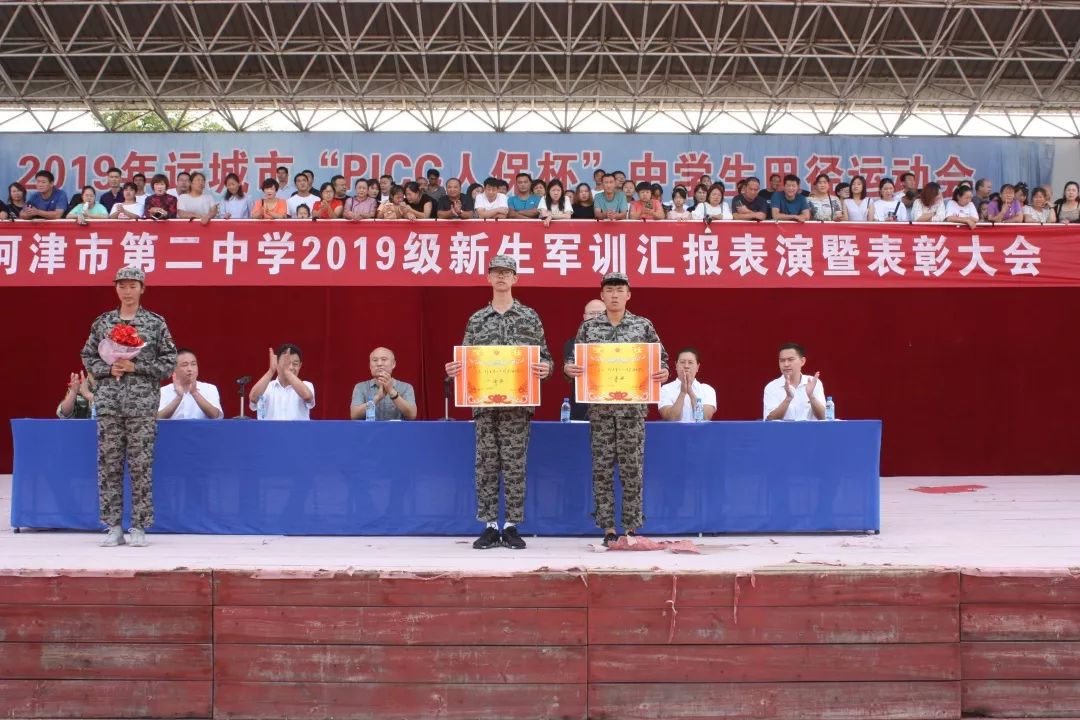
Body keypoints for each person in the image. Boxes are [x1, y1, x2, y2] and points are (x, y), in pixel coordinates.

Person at [443, 255, 552, 550]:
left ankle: (512, 525)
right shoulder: (477, 319)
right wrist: (455, 369)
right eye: (496, 272)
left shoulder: (529, 317)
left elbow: (545, 357)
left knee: (515, 465)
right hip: (484, 404)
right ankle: (490, 526)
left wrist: (545, 368)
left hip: (518, 405)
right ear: (488, 278)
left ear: (515, 278)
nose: (501, 277)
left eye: (507, 272)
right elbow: (466, 359)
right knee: (486, 464)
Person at [564, 272, 669, 546]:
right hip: (600, 410)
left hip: (632, 411)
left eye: (619, 290)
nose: (614, 295)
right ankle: (608, 528)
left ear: (628, 295)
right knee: (602, 469)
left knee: (632, 469)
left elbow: (661, 359)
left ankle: (631, 528)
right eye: (609, 290)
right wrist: (569, 368)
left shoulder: (642, 326)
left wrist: (663, 371)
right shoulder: (589, 328)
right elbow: (573, 360)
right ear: (602, 295)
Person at [80, 266, 178, 547]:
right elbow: (87, 355)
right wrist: (107, 370)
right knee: (109, 465)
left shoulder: (155, 323)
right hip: (109, 403)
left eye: (132, 286)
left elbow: (169, 361)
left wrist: (138, 367)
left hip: (142, 405)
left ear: (142, 288)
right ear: (116, 288)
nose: (127, 291)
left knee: (140, 465)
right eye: (122, 286)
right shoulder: (103, 322)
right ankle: (113, 526)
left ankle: (139, 526)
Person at [561, 299, 606, 421]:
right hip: (582, 407)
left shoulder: (620, 342)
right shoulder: (573, 343)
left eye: (600, 313)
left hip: (613, 405)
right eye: (592, 313)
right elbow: (568, 374)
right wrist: (567, 370)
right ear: (584, 317)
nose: (595, 317)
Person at [248, 344, 316, 420]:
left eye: (295, 364)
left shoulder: (306, 385)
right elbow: (253, 399)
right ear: (277, 363)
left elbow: (307, 397)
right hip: (268, 428)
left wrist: (286, 371)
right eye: (286, 364)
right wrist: (271, 371)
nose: (291, 367)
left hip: (297, 428)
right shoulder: (265, 387)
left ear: (300, 365)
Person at [349, 347, 417, 421]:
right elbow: (354, 415)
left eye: (384, 359)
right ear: (370, 366)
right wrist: (376, 398)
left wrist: (392, 391)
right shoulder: (360, 387)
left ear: (393, 364)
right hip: (369, 428)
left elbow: (412, 415)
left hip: (397, 428)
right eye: (375, 360)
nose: (379, 364)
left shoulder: (406, 387)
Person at [763, 342, 825, 421]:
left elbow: (823, 417)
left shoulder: (813, 383)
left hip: (810, 429)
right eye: (782, 360)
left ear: (802, 361)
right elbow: (769, 420)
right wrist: (788, 399)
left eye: (790, 360)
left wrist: (811, 396)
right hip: (783, 429)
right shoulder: (771, 387)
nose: (786, 364)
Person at [157, 348, 223, 420]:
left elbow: (216, 416)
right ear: (174, 369)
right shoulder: (163, 391)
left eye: (193, 364)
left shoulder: (210, 388)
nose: (190, 369)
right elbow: (157, 418)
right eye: (184, 365)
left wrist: (195, 393)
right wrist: (179, 397)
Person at [658, 348, 716, 422]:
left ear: (697, 367)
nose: (686, 366)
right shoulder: (665, 389)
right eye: (682, 362)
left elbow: (705, 417)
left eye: (690, 362)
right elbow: (672, 418)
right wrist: (682, 393)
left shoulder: (707, 389)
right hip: (675, 430)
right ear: (676, 365)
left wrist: (690, 392)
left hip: (700, 430)